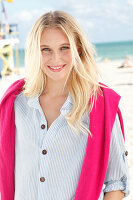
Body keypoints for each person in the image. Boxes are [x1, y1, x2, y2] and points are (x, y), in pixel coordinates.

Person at [0, 11, 130, 200]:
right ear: (35, 51)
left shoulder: (99, 106)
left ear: (78, 49)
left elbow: (116, 181)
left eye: (64, 48)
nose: (55, 59)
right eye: (45, 49)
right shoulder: (15, 104)